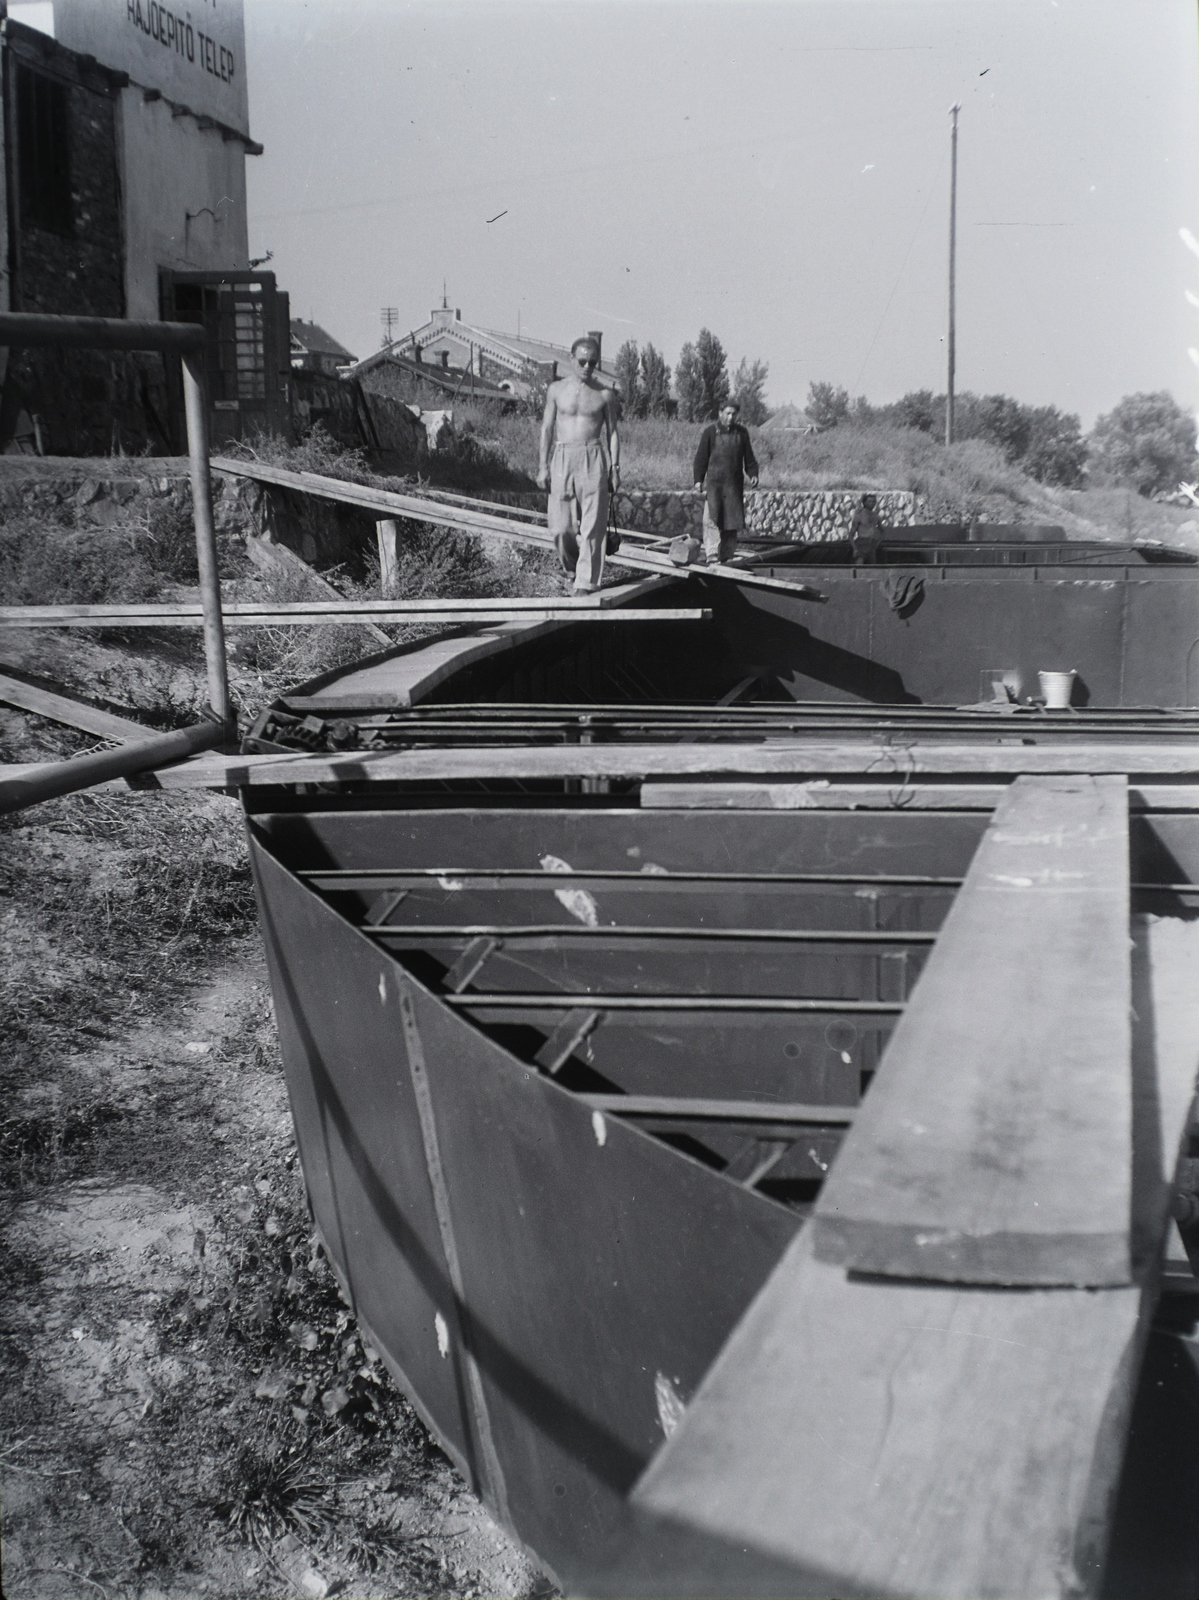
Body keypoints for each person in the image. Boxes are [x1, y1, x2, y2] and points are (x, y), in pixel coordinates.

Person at [537, 337, 620, 594]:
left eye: (592, 362)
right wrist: (542, 466)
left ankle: (586, 582)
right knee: (561, 527)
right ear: (571, 359)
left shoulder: (605, 394)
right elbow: (547, 429)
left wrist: (615, 468)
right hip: (562, 456)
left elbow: (614, 433)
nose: (587, 366)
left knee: (594, 525)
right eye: (582, 361)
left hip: (593, 455)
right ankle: (573, 569)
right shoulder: (556, 390)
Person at [692, 400, 759, 565]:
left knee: (732, 520)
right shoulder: (710, 432)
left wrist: (753, 474)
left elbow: (749, 458)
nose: (730, 417)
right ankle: (712, 552)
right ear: (720, 413)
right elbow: (701, 458)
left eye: (734, 414)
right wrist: (698, 480)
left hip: (733, 484)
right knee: (712, 519)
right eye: (727, 413)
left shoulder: (742, 433)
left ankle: (728, 553)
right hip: (715, 484)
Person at [848, 493, 885, 563]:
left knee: (872, 569)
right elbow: (850, 535)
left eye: (874, 501)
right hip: (861, 544)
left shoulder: (876, 516)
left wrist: (877, 543)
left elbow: (883, 531)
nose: (872, 503)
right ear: (865, 502)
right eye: (869, 501)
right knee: (859, 566)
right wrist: (855, 549)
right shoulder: (859, 516)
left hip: (872, 545)